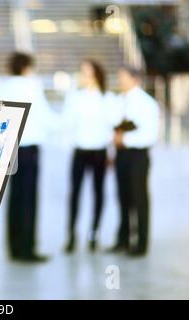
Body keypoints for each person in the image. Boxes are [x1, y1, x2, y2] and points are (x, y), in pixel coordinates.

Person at [0, 52, 54, 263]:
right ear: (27, 67)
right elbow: (46, 116)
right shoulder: (32, 86)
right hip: (29, 149)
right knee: (29, 199)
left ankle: (14, 247)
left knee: (14, 197)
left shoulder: (2, 88)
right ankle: (28, 248)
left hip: (10, 147)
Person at [62, 59, 118, 253]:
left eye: (87, 72)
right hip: (80, 151)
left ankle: (94, 234)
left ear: (96, 74)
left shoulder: (108, 98)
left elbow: (113, 126)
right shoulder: (75, 97)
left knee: (98, 193)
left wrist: (112, 151)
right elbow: (67, 122)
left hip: (100, 152)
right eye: (82, 72)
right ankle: (71, 235)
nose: (84, 76)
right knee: (75, 194)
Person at [110, 66, 160, 256]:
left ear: (134, 79)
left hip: (137, 155)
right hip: (121, 155)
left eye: (122, 77)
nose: (120, 81)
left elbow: (150, 135)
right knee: (122, 197)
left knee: (139, 199)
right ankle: (123, 239)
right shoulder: (119, 101)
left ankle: (141, 244)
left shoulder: (147, 103)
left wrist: (125, 139)